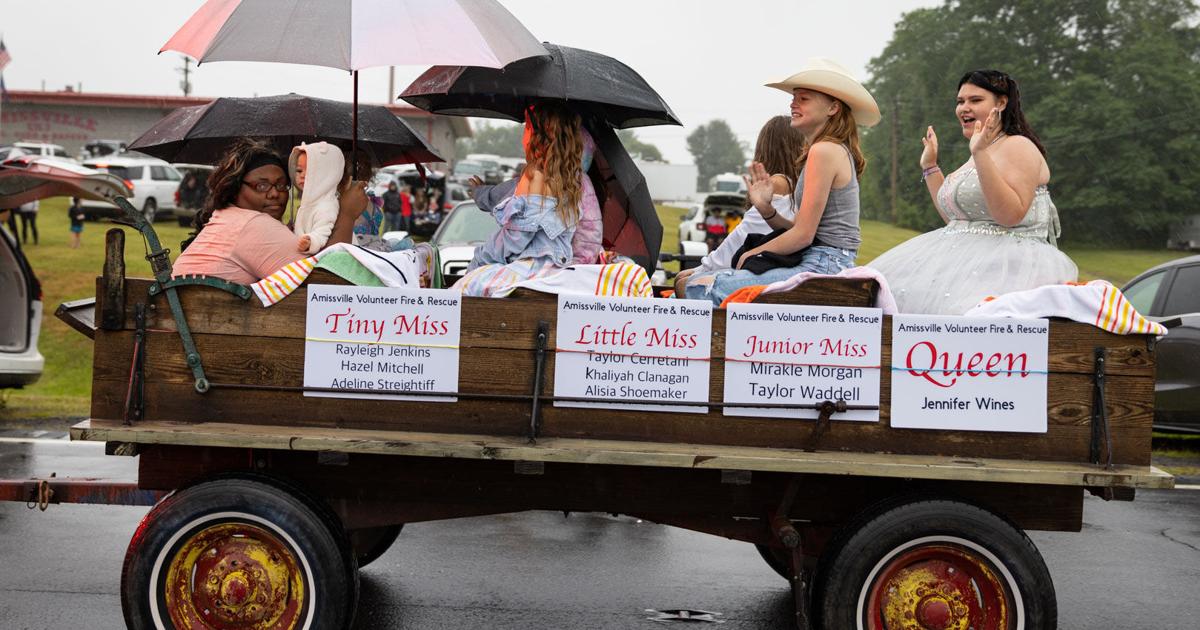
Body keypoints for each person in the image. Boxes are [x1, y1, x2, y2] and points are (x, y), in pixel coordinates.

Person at [867, 70, 1077, 314]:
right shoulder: (980, 150)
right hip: (964, 260)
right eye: (960, 102)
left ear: (1001, 102)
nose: (963, 108)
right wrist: (930, 167)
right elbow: (957, 219)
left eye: (975, 100)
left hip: (1008, 269)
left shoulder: (1019, 146)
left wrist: (980, 153)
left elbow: (1010, 215)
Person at [683, 58, 879, 304]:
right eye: (794, 97)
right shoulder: (829, 149)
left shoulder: (823, 150)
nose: (793, 103)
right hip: (826, 262)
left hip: (823, 265)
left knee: (699, 287)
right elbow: (800, 230)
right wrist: (767, 209)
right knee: (706, 283)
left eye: (803, 98)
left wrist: (754, 253)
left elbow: (803, 236)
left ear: (833, 108)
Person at [172, 138, 363, 284]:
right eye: (261, 186)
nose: (275, 194)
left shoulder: (227, 217)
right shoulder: (253, 224)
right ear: (236, 188)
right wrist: (347, 214)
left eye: (281, 185)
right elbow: (326, 285)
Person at [456, 102, 584, 295]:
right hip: (555, 276)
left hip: (528, 275)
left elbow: (513, 241)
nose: (523, 135)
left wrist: (479, 258)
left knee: (462, 288)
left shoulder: (534, 175)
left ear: (537, 135)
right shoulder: (570, 181)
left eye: (526, 126)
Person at [674, 116, 806, 296]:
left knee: (684, 282)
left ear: (766, 148)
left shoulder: (777, 183)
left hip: (760, 265)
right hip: (776, 263)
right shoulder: (800, 186)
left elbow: (741, 237)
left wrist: (704, 268)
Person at [289, 141, 345, 254]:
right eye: (299, 170)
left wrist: (311, 241)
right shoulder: (310, 202)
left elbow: (323, 230)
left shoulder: (326, 205)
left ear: (327, 176)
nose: (302, 175)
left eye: (310, 171)